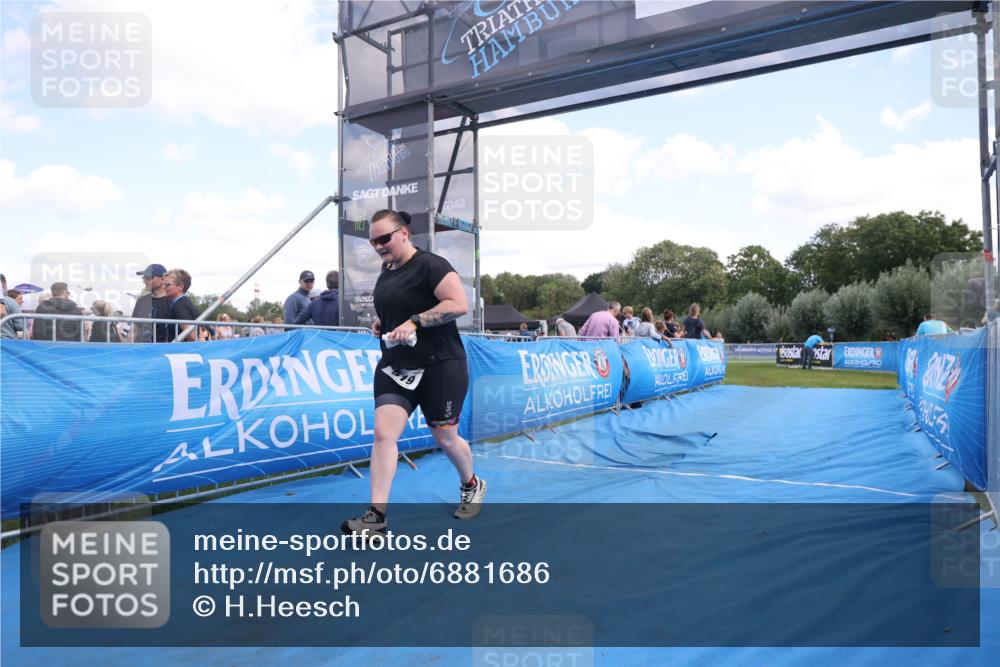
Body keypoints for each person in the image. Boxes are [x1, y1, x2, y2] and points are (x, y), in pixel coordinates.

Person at [342, 209, 485, 536]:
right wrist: (385, 322)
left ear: (404, 234)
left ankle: (472, 484)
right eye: (373, 241)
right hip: (397, 365)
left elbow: (458, 304)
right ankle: (377, 517)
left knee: (445, 436)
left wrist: (415, 321)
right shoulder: (386, 269)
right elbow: (395, 307)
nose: (378, 246)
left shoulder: (431, 265)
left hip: (441, 364)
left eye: (384, 239)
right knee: (383, 433)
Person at [131, 263, 170, 342]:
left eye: (149, 278)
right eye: (144, 278)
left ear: (163, 279)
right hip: (141, 351)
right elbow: (134, 329)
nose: (145, 281)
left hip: (161, 352)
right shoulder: (141, 301)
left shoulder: (173, 302)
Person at [162, 269, 200, 342]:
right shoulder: (185, 302)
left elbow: (191, 336)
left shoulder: (178, 306)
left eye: (167, 285)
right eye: (164, 284)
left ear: (180, 287)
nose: (164, 287)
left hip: (182, 351)